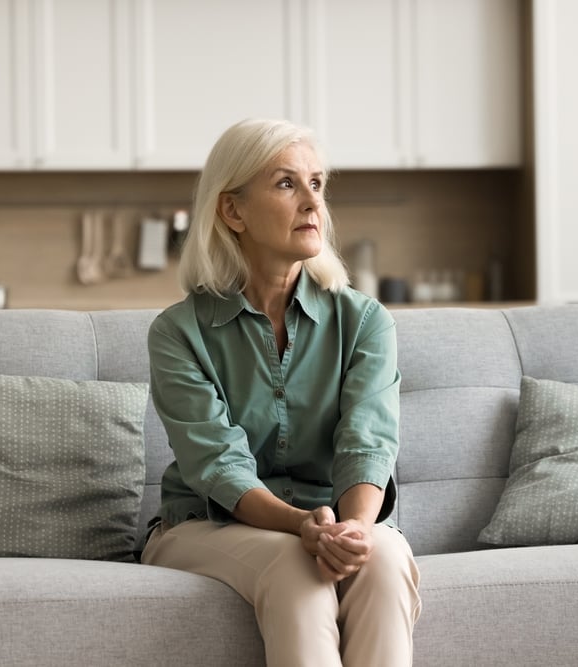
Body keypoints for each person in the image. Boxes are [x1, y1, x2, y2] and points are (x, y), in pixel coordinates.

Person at [140, 118, 421, 666]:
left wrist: (356, 531)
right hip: (205, 525)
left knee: (382, 560)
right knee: (296, 564)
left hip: (337, 519)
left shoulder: (365, 321)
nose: (312, 203)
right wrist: (301, 526)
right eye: (287, 183)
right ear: (233, 211)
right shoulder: (178, 333)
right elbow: (218, 465)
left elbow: (369, 441)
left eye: (316, 183)